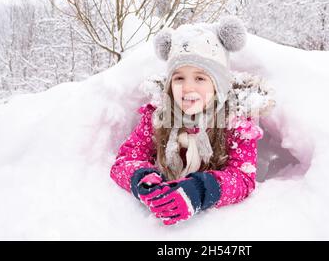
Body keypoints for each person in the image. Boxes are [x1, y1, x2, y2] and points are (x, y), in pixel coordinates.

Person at [110, 16, 267, 225]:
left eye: (200, 78)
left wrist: (200, 190)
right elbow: (125, 160)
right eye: (179, 78)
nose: (188, 88)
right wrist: (143, 180)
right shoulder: (158, 117)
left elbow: (242, 177)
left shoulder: (235, 123)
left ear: (218, 85)